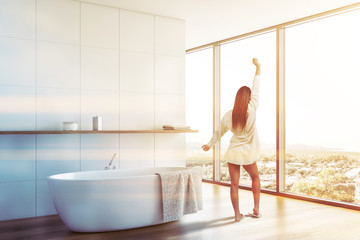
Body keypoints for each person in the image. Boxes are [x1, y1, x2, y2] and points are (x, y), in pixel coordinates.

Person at [202, 58, 261, 222]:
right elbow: (256, 89)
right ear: (249, 98)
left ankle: (237, 215)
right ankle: (256, 209)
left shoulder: (229, 115)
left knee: (234, 185)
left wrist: (209, 144)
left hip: (233, 152)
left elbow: (219, 132)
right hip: (248, 153)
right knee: (255, 178)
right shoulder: (252, 109)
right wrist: (258, 68)